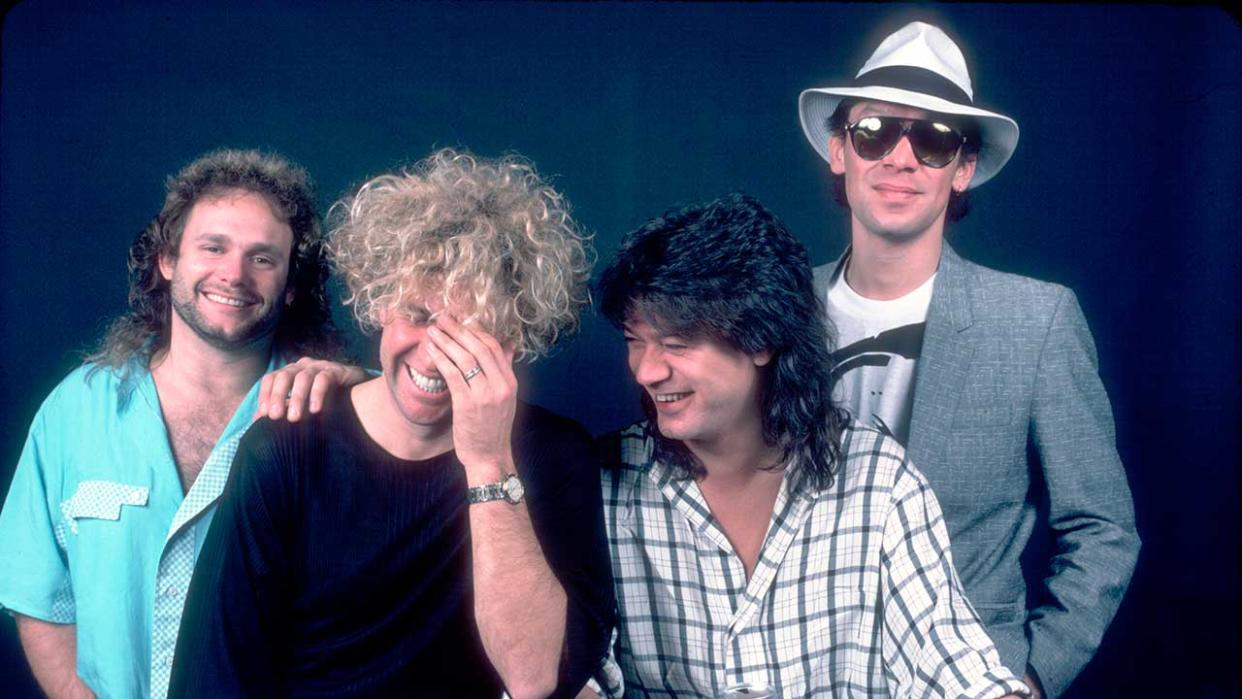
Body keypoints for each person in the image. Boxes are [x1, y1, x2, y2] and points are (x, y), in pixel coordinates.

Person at [168, 148, 614, 698]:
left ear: (512, 344)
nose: (434, 356)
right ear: (380, 304)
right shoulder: (286, 448)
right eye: (420, 317)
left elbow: (534, 679)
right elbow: (214, 676)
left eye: (469, 331)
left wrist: (488, 461)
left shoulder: (555, 455)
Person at [797, 21, 1140, 698]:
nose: (900, 157)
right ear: (838, 150)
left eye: (932, 140)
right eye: (875, 132)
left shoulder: (1035, 322)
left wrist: (1033, 677)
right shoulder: (776, 310)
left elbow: (1103, 528)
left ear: (964, 168)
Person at [591, 193, 1029, 698]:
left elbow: (956, 666)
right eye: (634, 340)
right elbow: (571, 674)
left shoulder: (877, 481)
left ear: (761, 340)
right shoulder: (603, 487)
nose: (647, 370)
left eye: (676, 343)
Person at [0, 149, 364, 699]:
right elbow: (41, 594)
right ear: (168, 259)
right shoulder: (74, 411)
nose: (233, 274)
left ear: (291, 284)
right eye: (213, 247)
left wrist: (360, 381)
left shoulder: (338, 408)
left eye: (262, 258)